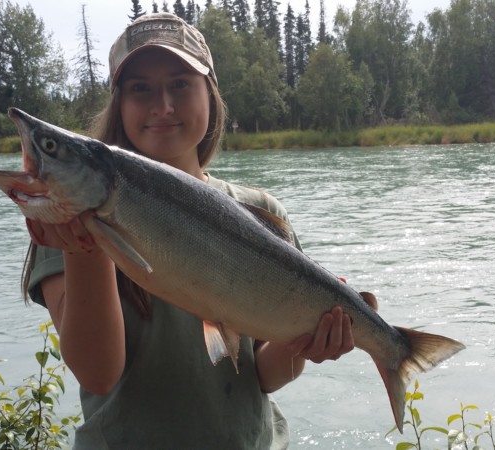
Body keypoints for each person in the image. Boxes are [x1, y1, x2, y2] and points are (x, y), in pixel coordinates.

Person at [22, 12, 371, 449]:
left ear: (211, 95)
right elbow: (98, 373)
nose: (162, 105)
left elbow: (263, 375)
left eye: (181, 84)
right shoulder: (63, 224)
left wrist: (307, 344)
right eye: (140, 89)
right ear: (119, 105)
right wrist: (85, 247)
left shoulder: (261, 212)